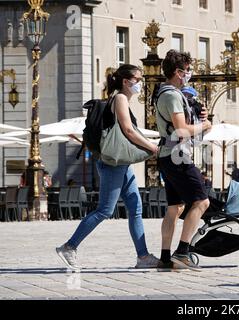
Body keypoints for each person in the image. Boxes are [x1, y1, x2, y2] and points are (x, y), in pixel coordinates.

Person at [56, 64, 159, 270]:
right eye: (138, 79)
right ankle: (69, 246)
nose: (140, 83)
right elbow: (128, 131)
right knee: (105, 210)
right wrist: (152, 148)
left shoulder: (122, 100)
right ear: (125, 81)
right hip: (113, 163)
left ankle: (143, 256)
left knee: (135, 208)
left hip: (121, 163)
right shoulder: (120, 98)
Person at [155, 50, 212, 271]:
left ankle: (165, 257)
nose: (189, 73)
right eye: (187, 70)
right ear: (178, 72)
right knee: (202, 202)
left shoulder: (167, 93)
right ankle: (182, 252)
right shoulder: (171, 95)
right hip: (177, 155)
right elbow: (181, 129)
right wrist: (205, 126)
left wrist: (200, 121)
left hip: (168, 155)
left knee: (175, 207)